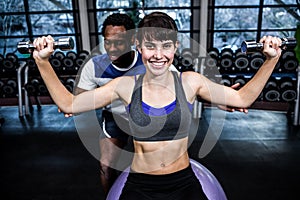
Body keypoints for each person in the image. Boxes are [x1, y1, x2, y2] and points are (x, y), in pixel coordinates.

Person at [32, 11, 281, 199]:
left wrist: (272, 59)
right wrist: (42, 62)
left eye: (166, 46)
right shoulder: (125, 86)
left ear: (175, 47)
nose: (158, 54)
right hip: (140, 186)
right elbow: (69, 103)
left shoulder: (190, 82)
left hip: (184, 183)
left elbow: (242, 98)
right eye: (150, 46)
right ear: (139, 47)